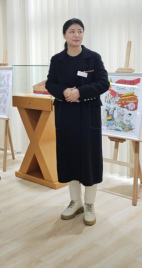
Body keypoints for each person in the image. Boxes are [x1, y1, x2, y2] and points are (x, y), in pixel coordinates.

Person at [45, 18, 109, 226]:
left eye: (80, 31)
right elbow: (50, 83)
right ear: (64, 35)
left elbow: (103, 83)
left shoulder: (93, 57)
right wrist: (64, 92)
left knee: (89, 158)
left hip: (88, 114)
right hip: (66, 114)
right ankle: (75, 201)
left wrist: (80, 92)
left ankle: (89, 204)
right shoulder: (57, 59)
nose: (76, 35)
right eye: (72, 31)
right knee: (69, 157)